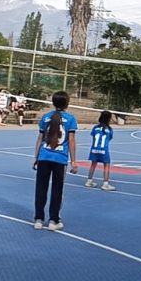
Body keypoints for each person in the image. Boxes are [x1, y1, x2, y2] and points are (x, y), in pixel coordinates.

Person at [33, 91, 79, 231]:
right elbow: (71, 140)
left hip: (44, 156)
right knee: (57, 190)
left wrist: (36, 157)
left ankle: (38, 219)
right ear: (67, 103)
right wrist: (74, 161)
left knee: (41, 188)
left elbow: (40, 139)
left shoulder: (46, 117)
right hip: (60, 159)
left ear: (53, 102)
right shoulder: (70, 119)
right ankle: (54, 220)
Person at [85, 110, 115, 191]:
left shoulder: (95, 128)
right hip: (103, 150)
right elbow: (109, 138)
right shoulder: (109, 129)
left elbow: (93, 136)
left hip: (94, 149)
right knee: (106, 165)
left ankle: (89, 181)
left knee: (93, 164)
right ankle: (105, 184)